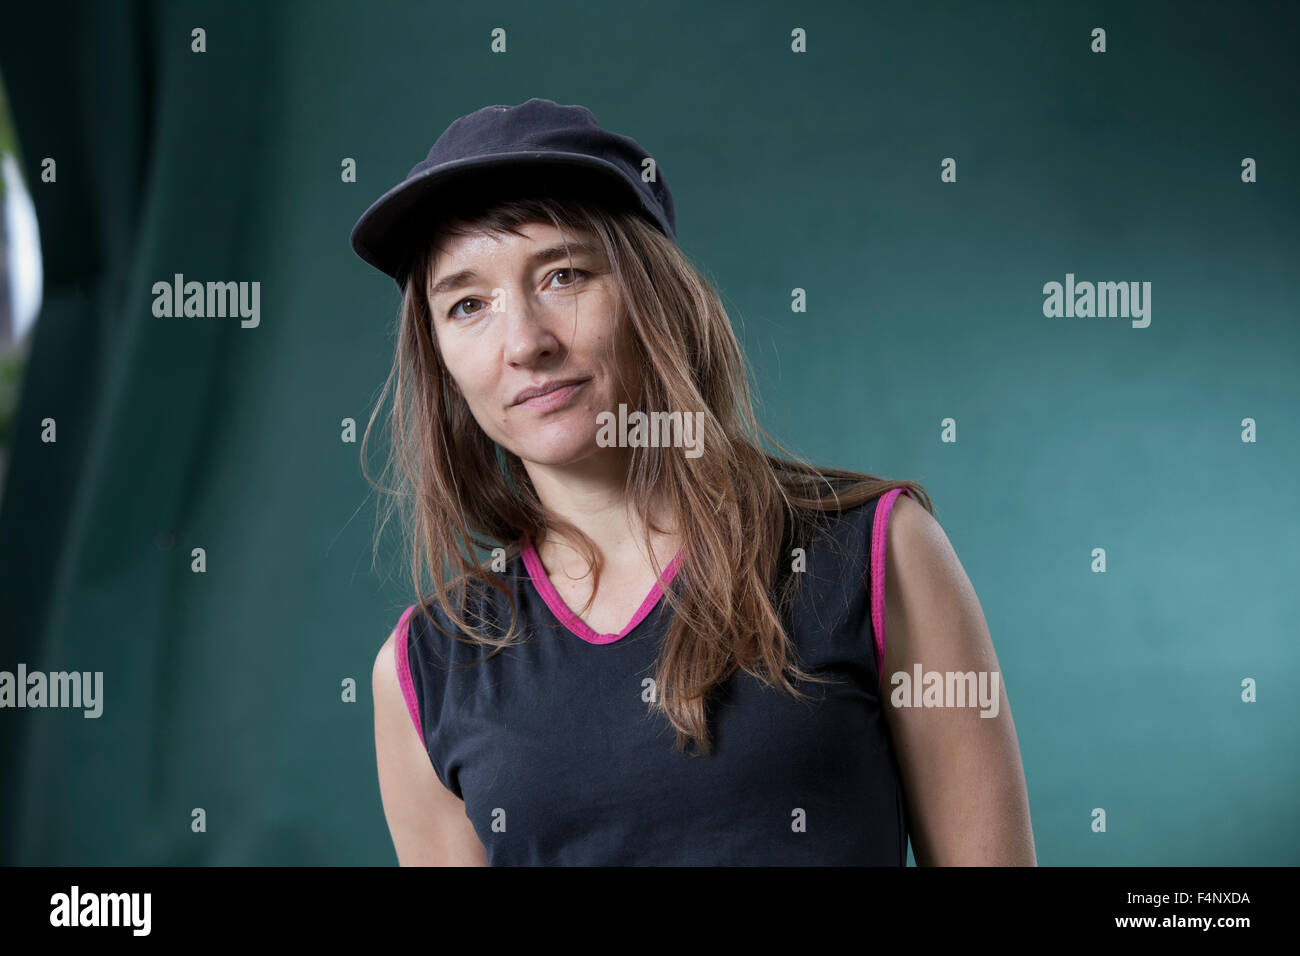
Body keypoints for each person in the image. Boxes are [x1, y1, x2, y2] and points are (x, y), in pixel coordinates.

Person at [352, 98, 1035, 866]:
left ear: (656, 297)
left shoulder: (878, 553)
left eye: (565, 274)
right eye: (468, 304)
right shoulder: (424, 668)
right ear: (438, 355)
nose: (525, 343)